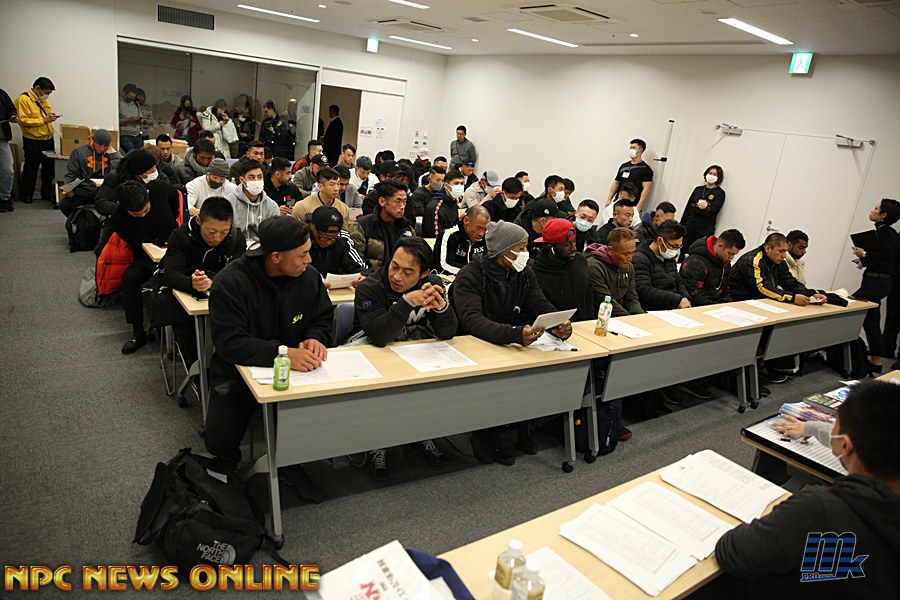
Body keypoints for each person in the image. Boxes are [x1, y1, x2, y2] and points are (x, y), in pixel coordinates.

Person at [714, 379, 900, 600]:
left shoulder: (820, 511)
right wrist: (809, 427)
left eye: (835, 424)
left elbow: (732, 551)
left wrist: (782, 517)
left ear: (845, 446)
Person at [205, 216, 333, 504]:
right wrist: (283, 353)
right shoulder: (230, 282)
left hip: (297, 370)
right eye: (302, 254)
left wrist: (316, 337)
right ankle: (226, 466)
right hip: (238, 371)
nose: (309, 260)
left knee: (310, 416)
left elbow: (323, 317)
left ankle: (290, 464)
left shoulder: (309, 277)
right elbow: (230, 343)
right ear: (276, 257)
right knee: (219, 438)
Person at [451, 221, 573, 465]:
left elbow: (539, 303)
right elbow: (472, 320)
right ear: (504, 250)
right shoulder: (470, 275)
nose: (527, 253)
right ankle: (485, 438)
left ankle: (523, 430)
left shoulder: (524, 273)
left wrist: (557, 323)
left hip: (509, 338)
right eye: (522, 247)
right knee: (494, 386)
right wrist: (514, 334)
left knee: (529, 377)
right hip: (477, 342)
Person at [350, 238, 457, 479]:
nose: (397, 276)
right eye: (394, 266)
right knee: (382, 391)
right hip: (372, 350)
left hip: (411, 349)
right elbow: (379, 335)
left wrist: (441, 309)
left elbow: (449, 332)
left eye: (408, 272)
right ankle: (376, 443)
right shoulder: (371, 287)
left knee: (428, 382)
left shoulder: (432, 284)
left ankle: (419, 433)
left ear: (423, 274)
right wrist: (407, 302)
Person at [155, 196, 246, 367]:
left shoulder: (236, 238)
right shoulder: (180, 236)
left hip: (219, 295)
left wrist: (214, 281)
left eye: (223, 232)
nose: (217, 238)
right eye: (211, 232)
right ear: (198, 220)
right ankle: (199, 373)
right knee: (187, 326)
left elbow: (239, 275)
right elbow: (171, 274)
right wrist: (192, 283)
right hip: (183, 295)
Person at [110, 181, 178, 354]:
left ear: (147, 194)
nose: (142, 216)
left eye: (146, 210)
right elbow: (140, 242)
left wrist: (174, 217)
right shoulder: (118, 219)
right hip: (147, 257)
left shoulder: (158, 189)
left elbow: (176, 199)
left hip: (174, 251)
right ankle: (138, 332)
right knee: (130, 278)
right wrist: (154, 246)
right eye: (136, 214)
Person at [850, 199, 900, 374]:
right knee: (871, 319)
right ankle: (876, 361)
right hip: (878, 282)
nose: (872, 210)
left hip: (876, 283)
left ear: (883, 215)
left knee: (851, 309)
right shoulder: (888, 233)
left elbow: (888, 258)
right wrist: (863, 259)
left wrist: (864, 254)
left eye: (876, 208)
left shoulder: (886, 233)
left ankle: (866, 357)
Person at [729, 232, 828, 306]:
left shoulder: (779, 262)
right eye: (781, 251)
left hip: (759, 303)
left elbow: (790, 282)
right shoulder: (752, 260)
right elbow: (762, 288)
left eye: (785, 251)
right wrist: (792, 298)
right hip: (737, 303)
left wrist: (812, 294)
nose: (784, 255)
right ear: (768, 248)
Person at [532, 218, 593, 321]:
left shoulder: (580, 261)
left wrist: (590, 321)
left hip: (583, 325)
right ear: (551, 247)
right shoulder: (536, 273)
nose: (573, 248)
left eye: (574, 242)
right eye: (567, 245)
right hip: (555, 327)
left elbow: (588, 295)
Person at [349, 179, 415, 270]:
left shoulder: (407, 229)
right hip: (370, 276)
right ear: (382, 202)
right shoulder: (361, 227)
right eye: (398, 201)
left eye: (405, 201)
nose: (402, 206)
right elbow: (356, 263)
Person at [94, 149, 179, 219]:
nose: (154, 172)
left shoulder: (161, 177)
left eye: (155, 168)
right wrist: (127, 207)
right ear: (138, 173)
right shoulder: (116, 178)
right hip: (123, 218)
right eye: (150, 170)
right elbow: (101, 203)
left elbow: (171, 199)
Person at [15, 77, 59, 205]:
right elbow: (22, 120)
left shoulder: (43, 100)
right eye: (46, 92)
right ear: (38, 88)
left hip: (47, 139)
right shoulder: (23, 100)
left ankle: (46, 193)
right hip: (33, 140)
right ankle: (27, 195)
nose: (47, 96)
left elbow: (45, 116)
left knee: (49, 169)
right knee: (31, 168)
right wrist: (43, 120)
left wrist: (50, 117)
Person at [60, 129, 122, 216]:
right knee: (65, 204)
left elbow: (117, 173)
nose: (102, 149)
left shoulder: (111, 154)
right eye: (99, 145)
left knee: (118, 205)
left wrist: (114, 155)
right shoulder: (78, 152)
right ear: (92, 140)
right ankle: (84, 220)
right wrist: (68, 188)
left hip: (104, 190)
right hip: (85, 189)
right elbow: (71, 173)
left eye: (105, 146)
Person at [585, 227, 644, 317]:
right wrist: (630, 320)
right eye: (625, 254)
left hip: (619, 316)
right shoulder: (594, 268)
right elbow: (606, 302)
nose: (630, 258)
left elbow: (632, 298)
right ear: (610, 251)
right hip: (597, 318)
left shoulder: (628, 266)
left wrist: (641, 317)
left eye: (632, 252)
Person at [632, 219, 691, 311]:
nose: (676, 250)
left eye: (679, 247)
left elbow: (678, 280)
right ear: (660, 240)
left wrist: (685, 297)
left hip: (674, 307)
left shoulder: (668, 256)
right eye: (674, 246)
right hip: (653, 309)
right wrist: (677, 300)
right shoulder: (640, 259)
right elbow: (643, 290)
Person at [679, 229, 746, 306]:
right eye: (730, 253)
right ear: (720, 246)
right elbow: (692, 294)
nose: (731, 258)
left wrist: (729, 305)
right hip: (698, 306)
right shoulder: (695, 263)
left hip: (715, 305)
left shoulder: (724, 262)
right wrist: (717, 306)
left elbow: (726, 291)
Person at [306, 206, 366, 284]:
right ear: (312, 226)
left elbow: (359, 265)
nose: (328, 242)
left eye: (333, 238)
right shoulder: (301, 238)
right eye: (324, 238)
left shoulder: (343, 238)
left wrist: (363, 276)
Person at [227, 160, 279, 246]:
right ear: (242, 180)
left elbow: (274, 236)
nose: (256, 181)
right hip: (235, 248)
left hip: (262, 249)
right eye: (251, 178)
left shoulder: (272, 206)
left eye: (260, 177)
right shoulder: (228, 203)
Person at [681, 165, 725, 259]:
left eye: (714, 174)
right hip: (691, 224)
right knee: (684, 250)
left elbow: (715, 209)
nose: (711, 175)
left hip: (705, 227)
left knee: (699, 252)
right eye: (710, 173)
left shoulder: (719, 193)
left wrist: (708, 205)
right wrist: (682, 225)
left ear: (718, 177)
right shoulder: (698, 189)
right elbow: (688, 207)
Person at [433, 205, 490, 276]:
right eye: (478, 228)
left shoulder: (486, 237)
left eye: (485, 229)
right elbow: (444, 265)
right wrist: (472, 273)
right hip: (449, 278)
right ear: (466, 220)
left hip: (475, 278)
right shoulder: (449, 234)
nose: (481, 233)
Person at [606, 138, 653, 211]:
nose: (631, 150)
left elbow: (646, 189)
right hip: (618, 202)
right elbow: (616, 183)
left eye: (633, 148)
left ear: (640, 150)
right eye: (630, 148)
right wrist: (609, 199)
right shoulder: (623, 166)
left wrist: (639, 206)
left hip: (632, 205)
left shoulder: (645, 169)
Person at [422, 169, 465, 238]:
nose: (459, 186)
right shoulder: (435, 208)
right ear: (446, 185)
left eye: (462, 183)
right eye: (456, 183)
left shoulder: (454, 204)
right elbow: (435, 237)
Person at [0, 87, 16, 213]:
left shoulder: (1, 93)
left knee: (8, 171)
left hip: (2, 138)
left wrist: (13, 116)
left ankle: (4, 198)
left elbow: (11, 109)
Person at [118, 83, 143, 153]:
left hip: (137, 134)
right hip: (125, 135)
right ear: (123, 93)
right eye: (129, 97)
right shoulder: (117, 103)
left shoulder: (136, 103)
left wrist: (139, 120)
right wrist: (128, 120)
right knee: (132, 155)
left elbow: (141, 117)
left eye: (132, 98)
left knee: (140, 155)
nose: (130, 100)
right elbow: (114, 122)